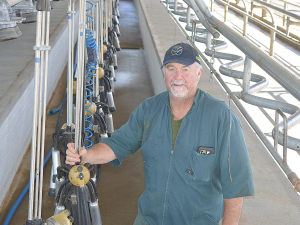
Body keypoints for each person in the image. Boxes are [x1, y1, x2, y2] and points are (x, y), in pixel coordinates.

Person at [66, 42, 255, 225]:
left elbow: (235, 184)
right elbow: (118, 144)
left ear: (198, 73)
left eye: (185, 69)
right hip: (150, 218)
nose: (177, 76)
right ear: (164, 72)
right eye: (171, 68)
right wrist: (87, 155)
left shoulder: (221, 117)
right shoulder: (149, 109)